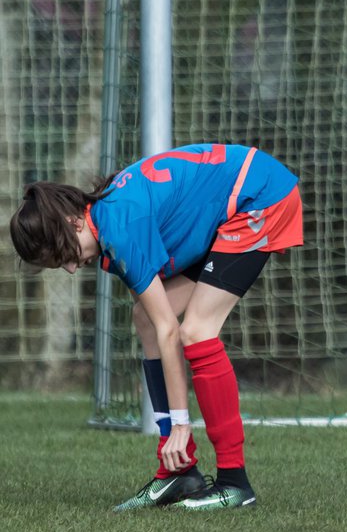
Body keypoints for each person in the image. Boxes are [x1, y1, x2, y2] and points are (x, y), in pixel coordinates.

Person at [9, 143, 303, 511]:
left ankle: (234, 482)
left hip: (259, 196)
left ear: (73, 223)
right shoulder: (107, 219)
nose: (71, 268)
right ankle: (179, 470)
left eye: (64, 257)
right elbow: (156, 321)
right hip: (225, 212)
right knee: (144, 317)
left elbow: (170, 330)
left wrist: (181, 423)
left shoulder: (121, 228)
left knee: (195, 330)